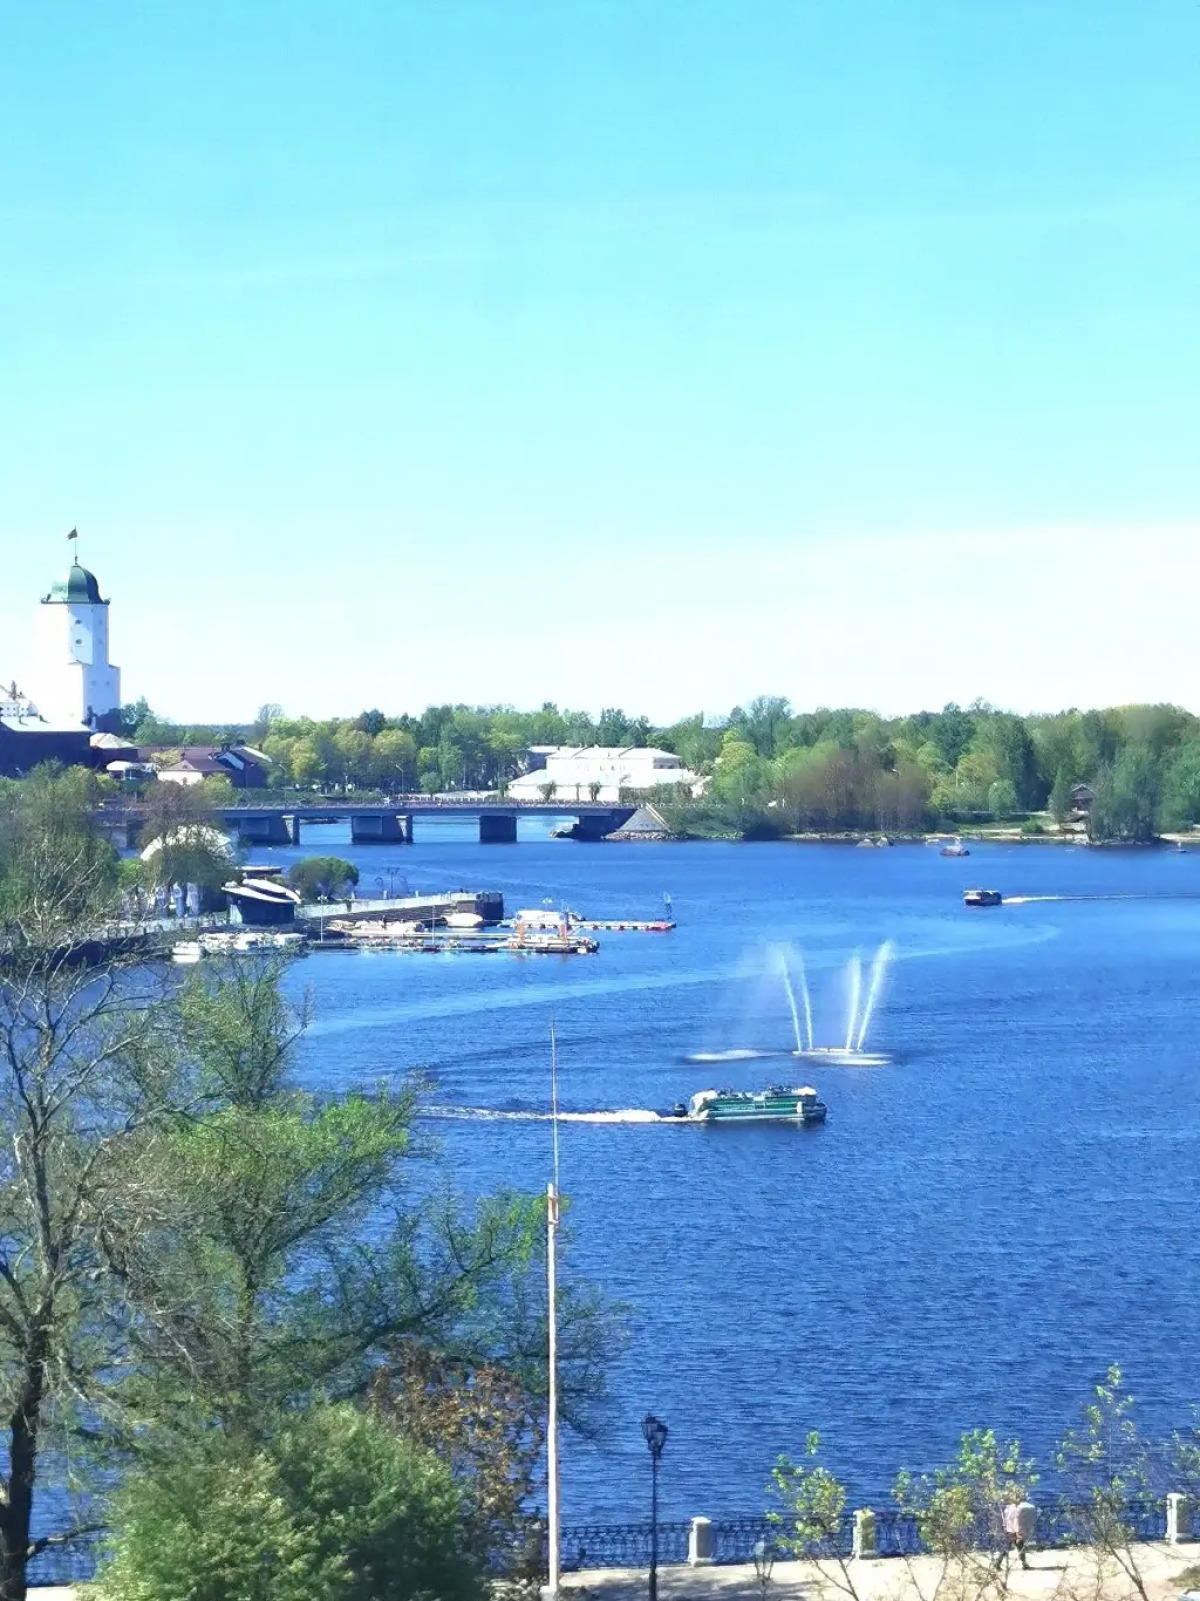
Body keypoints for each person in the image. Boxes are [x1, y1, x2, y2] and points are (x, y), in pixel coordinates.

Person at [998, 1498, 1038, 1571]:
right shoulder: (1017, 1508)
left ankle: (998, 1563)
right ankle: (1024, 1564)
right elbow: (1017, 1521)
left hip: (1010, 1530)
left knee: (1011, 1546)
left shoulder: (1009, 1508)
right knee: (1019, 1545)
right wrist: (1019, 1533)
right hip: (1015, 1530)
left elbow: (1008, 1520)